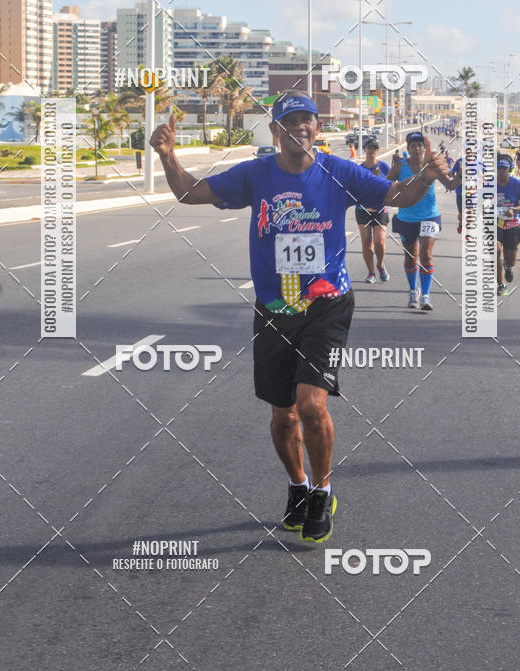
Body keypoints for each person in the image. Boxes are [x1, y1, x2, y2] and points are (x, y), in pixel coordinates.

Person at [150, 92, 448, 543]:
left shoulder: (338, 171)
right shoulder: (256, 174)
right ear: (275, 132)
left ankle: (322, 491)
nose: (301, 128)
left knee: (311, 405)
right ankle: (298, 485)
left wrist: (425, 177)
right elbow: (192, 193)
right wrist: (168, 157)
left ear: (316, 128)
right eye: (291, 122)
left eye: (308, 121)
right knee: (283, 416)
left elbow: (400, 197)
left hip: (326, 304)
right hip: (275, 309)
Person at [387, 130, 452, 311]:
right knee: (410, 258)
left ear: (424, 148)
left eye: (420, 145)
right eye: (413, 145)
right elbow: (385, 186)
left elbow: (450, 185)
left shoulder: (431, 165)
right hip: (406, 218)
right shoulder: (400, 166)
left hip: (430, 215)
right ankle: (412, 290)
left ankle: (425, 295)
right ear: (408, 148)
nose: (417, 148)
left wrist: (462, 175)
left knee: (426, 255)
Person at [355, 137, 391, 283]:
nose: (372, 151)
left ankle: (380, 265)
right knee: (366, 243)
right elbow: (355, 188)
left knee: (379, 242)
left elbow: (391, 185)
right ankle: (371, 273)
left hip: (380, 209)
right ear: (364, 149)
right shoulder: (359, 169)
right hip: (363, 209)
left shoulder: (384, 166)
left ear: (378, 150)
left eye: (374, 148)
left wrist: (379, 179)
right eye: (369, 148)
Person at [496, 153, 520, 295]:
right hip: (494, 224)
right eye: (499, 168)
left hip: (512, 225)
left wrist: (514, 209)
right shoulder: (488, 183)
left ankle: (508, 267)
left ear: (508, 169)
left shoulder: (516, 184)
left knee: (511, 260)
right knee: (495, 252)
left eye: (504, 168)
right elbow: (479, 202)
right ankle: (501, 285)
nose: (501, 171)